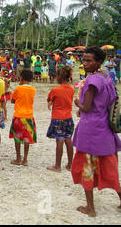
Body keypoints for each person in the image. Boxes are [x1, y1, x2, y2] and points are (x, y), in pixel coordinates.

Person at [71, 47, 121, 217]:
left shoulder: (92, 81)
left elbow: (86, 107)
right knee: (110, 167)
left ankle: (90, 208)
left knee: (87, 168)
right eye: (83, 60)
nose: (84, 63)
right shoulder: (106, 77)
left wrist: (78, 103)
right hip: (105, 129)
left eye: (88, 61)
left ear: (98, 62)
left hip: (90, 130)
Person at [46, 66, 75, 173]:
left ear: (59, 76)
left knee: (59, 140)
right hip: (68, 117)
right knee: (68, 140)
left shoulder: (55, 90)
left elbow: (49, 99)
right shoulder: (72, 88)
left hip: (58, 118)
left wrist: (49, 102)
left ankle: (57, 166)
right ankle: (70, 164)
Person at [9, 69, 36, 166]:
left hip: (18, 116)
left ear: (21, 78)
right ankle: (25, 159)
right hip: (29, 116)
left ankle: (18, 158)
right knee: (27, 138)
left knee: (17, 137)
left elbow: (13, 100)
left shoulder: (18, 88)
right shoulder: (33, 89)